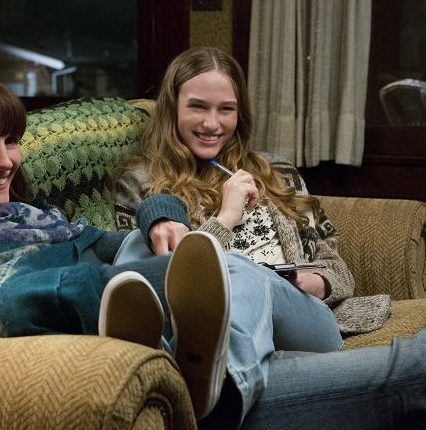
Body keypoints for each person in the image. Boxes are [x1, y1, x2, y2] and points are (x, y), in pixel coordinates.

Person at [0, 67, 346, 424]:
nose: (5, 161)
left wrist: (160, 215)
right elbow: (5, 303)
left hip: (266, 317)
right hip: (174, 319)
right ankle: (223, 397)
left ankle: (210, 361)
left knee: (174, 254)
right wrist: (127, 283)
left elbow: (108, 242)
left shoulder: (27, 216)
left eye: (11, 140)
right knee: (232, 270)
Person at [115, 46, 426, 427]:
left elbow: (338, 269)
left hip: (303, 320)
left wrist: (314, 283)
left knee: (245, 273)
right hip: (212, 335)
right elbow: (164, 284)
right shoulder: (142, 185)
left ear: (240, 113)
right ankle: (221, 395)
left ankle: (208, 376)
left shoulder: (278, 172)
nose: (212, 123)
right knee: (226, 274)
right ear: (172, 109)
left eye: (226, 109)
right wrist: (225, 219)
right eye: (198, 107)